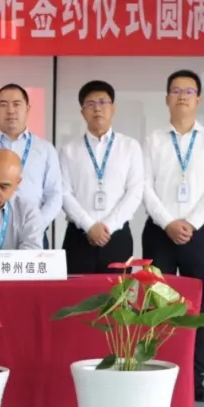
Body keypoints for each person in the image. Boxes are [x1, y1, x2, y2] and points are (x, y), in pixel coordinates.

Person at [142, 70, 204, 404]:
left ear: (198, 99)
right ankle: (157, 373)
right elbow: (144, 187)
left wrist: (189, 223)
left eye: (188, 91)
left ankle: (195, 379)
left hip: (199, 233)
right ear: (166, 98)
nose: (181, 96)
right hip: (159, 233)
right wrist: (168, 223)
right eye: (175, 91)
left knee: (197, 309)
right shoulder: (152, 140)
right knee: (158, 306)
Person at [58, 81, 143, 274]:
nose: (97, 108)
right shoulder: (69, 150)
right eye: (90, 104)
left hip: (117, 236)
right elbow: (64, 193)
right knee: (77, 292)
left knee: (117, 292)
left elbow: (135, 191)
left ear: (113, 108)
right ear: (82, 112)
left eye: (103, 102)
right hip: (79, 237)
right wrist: (89, 226)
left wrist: (108, 227)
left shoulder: (129, 146)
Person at [0, 83, 62, 247]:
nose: (10, 110)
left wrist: (35, 225)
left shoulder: (45, 149)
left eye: (17, 104)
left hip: (34, 234)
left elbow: (54, 195)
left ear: (28, 109)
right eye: (3, 105)